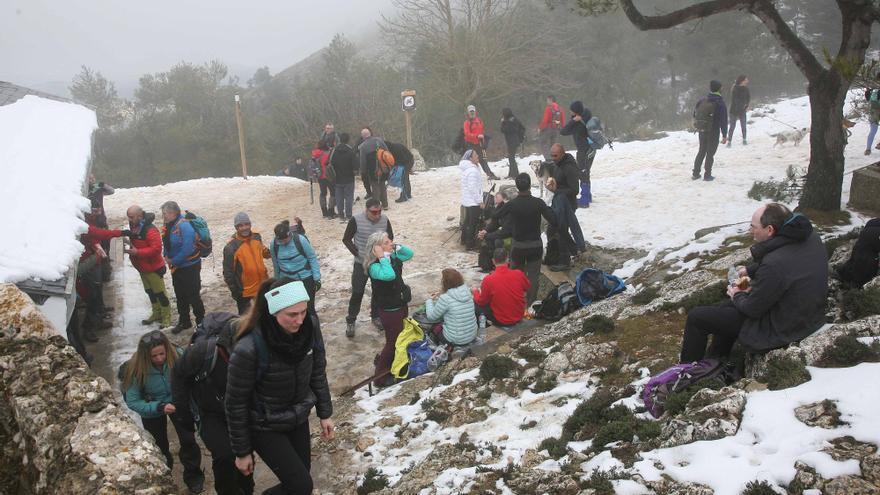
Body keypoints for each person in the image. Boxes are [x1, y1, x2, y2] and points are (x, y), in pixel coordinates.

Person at [679, 204, 828, 363]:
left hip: (783, 327)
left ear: (770, 230)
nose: (750, 231)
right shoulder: (809, 236)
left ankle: (686, 373)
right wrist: (751, 271)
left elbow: (752, 309)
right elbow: (790, 261)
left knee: (697, 318)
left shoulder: (774, 263)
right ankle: (717, 360)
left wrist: (738, 294)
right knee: (723, 310)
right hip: (808, 315)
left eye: (753, 227)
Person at [225, 279, 334, 495]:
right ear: (273, 312)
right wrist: (242, 452)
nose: (300, 320)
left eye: (303, 311)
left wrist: (325, 413)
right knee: (302, 486)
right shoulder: (249, 348)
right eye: (292, 315)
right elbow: (235, 402)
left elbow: (317, 371)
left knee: (300, 477)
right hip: (264, 425)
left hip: (298, 415)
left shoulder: (310, 327)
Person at [172, 312, 254, 495]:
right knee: (225, 454)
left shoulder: (252, 350)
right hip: (209, 410)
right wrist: (184, 416)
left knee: (245, 451)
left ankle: (247, 488)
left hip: (238, 409)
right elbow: (178, 375)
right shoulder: (202, 352)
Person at [123, 330, 204, 493]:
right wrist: (158, 407)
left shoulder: (178, 355)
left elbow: (192, 379)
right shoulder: (135, 369)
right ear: (146, 357)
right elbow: (132, 401)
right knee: (159, 446)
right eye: (154, 356)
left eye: (162, 354)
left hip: (178, 403)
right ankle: (164, 475)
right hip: (152, 408)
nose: (159, 359)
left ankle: (194, 475)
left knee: (188, 439)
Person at [496, 173, 558, 304]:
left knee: (515, 277)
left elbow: (497, 215)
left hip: (518, 246)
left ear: (517, 187)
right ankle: (531, 305)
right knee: (534, 277)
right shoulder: (538, 203)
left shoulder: (512, 204)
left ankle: (516, 303)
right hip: (535, 245)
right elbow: (553, 220)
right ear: (530, 185)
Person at [364, 232, 414, 387]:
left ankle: (394, 366)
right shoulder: (374, 267)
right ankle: (379, 378)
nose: (391, 242)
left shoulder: (392, 258)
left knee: (401, 339)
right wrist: (381, 257)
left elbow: (409, 254)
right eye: (387, 242)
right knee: (392, 342)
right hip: (389, 310)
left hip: (400, 304)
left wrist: (396, 247)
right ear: (377, 248)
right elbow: (389, 276)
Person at [342, 198, 395, 338]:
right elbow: (346, 239)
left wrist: (384, 254)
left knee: (378, 291)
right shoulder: (356, 220)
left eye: (379, 212)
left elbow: (391, 237)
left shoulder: (384, 220)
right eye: (374, 212)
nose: (377, 215)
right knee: (358, 292)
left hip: (377, 263)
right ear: (366, 210)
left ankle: (376, 316)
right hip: (361, 263)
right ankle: (351, 320)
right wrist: (357, 253)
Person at [122, 206, 172, 328]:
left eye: (132, 217)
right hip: (142, 267)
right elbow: (139, 242)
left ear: (140, 216)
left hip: (153, 268)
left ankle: (166, 317)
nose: (129, 219)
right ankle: (156, 313)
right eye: (128, 217)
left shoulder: (150, 230)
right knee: (150, 292)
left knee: (160, 293)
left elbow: (156, 249)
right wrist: (129, 243)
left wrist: (137, 252)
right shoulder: (135, 226)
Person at [161, 201, 205, 334]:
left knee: (193, 295)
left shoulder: (185, 226)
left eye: (164, 214)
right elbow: (167, 242)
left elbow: (187, 248)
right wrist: (166, 256)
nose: (163, 216)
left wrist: (173, 260)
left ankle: (201, 322)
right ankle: (184, 321)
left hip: (190, 267)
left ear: (173, 213)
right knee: (180, 295)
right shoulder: (169, 225)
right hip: (177, 268)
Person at [547, 143, 586, 271]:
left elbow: (574, 190)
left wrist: (556, 190)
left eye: (555, 156)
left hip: (568, 205)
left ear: (562, 154)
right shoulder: (557, 165)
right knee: (552, 229)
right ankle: (554, 256)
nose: (553, 158)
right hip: (558, 202)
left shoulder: (569, 167)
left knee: (561, 231)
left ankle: (565, 261)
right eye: (551, 155)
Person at [223, 212, 270, 315]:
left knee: (266, 317)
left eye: (246, 224)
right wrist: (235, 293)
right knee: (248, 322)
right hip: (245, 293)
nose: (244, 228)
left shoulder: (256, 237)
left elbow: (264, 253)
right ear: (236, 227)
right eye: (240, 225)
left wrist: (268, 252)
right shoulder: (231, 247)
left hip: (263, 287)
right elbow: (228, 273)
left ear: (250, 224)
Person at [271, 219, 321, 312]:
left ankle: (312, 325)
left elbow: (312, 258)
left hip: (305, 278)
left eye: (286, 238)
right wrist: (277, 282)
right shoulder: (274, 244)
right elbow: (276, 264)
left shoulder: (300, 240)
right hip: (286, 281)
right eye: (281, 240)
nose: (284, 241)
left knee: (309, 309)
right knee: (292, 309)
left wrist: (317, 278)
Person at [472, 249, 530, 327]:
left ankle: (485, 328)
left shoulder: (488, 279)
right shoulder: (518, 273)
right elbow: (527, 287)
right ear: (508, 260)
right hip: (519, 315)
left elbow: (481, 301)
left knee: (474, 304)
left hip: (502, 320)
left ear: (493, 261)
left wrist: (475, 292)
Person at [425, 268, 478, 346]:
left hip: (456, 339)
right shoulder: (467, 292)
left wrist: (429, 301)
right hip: (472, 335)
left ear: (445, 282)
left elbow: (431, 317)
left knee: (434, 328)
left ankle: (438, 347)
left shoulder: (445, 298)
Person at [692, 80, 728, 181]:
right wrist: (724, 135)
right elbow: (723, 121)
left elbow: (695, 114)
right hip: (713, 131)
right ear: (720, 88)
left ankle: (695, 173)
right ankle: (707, 175)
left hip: (702, 129)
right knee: (710, 153)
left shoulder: (702, 100)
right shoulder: (720, 103)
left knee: (701, 151)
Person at [560, 101, 595, 207]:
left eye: (572, 110)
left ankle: (584, 200)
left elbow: (563, 131)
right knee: (586, 171)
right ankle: (587, 196)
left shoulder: (577, 124)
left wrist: (573, 121)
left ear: (576, 111)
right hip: (592, 149)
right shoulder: (587, 117)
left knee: (582, 172)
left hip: (583, 150)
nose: (570, 112)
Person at [836, 218, 880, 289]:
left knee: (857, 261)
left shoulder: (872, 223)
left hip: (859, 253)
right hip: (867, 264)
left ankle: (844, 276)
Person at [463, 105, 500, 180]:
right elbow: (467, 134)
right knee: (471, 161)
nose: (472, 113)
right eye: (470, 112)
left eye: (473, 111)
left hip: (479, 143)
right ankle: (471, 176)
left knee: (483, 159)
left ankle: (490, 174)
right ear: (468, 113)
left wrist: (484, 140)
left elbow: (482, 131)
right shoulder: (466, 123)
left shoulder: (479, 121)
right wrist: (476, 136)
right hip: (470, 144)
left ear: (475, 111)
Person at [358, 127, 391, 209]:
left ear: (363, 136)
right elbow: (387, 151)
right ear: (370, 134)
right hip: (383, 167)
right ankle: (385, 205)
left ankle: (376, 205)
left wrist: (363, 171)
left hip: (372, 169)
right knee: (382, 184)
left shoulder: (362, 146)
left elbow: (363, 161)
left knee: (375, 187)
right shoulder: (379, 140)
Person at [460, 149, 484, 250]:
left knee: (467, 222)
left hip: (468, 200)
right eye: (475, 155)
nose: (478, 156)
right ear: (470, 158)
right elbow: (473, 188)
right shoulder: (472, 171)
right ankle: (470, 245)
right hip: (473, 201)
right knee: (472, 223)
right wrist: (480, 201)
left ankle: (464, 239)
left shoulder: (469, 169)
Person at [331, 133, 357, 221]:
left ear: (340, 140)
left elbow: (332, 164)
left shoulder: (335, 151)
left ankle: (341, 215)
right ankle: (349, 215)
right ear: (348, 140)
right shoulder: (351, 151)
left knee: (339, 198)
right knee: (349, 197)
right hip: (349, 178)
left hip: (337, 178)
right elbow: (355, 165)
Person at [500, 108, 525, 178]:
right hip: (511, 141)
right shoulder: (511, 119)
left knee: (511, 157)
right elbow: (502, 130)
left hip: (513, 141)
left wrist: (504, 123)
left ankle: (515, 174)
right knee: (511, 157)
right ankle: (512, 174)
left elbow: (509, 129)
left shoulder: (512, 120)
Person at [538, 96, 565, 162]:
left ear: (551, 100)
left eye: (547, 100)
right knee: (553, 145)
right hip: (556, 129)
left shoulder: (548, 108)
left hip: (548, 128)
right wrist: (562, 128)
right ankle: (555, 159)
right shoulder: (560, 109)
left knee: (543, 142)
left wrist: (540, 128)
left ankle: (548, 159)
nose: (547, 102)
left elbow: (545, 120)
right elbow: (562, 120)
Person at [727, 75, 750, 147]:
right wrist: (742, 106)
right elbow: (735, 100)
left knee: (743, 125)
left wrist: (747, 105)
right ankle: (729, 141)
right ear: (742, 80)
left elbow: (748, 98)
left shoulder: (746, 89)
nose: (747, 80)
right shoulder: (735, 88)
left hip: (742, 110)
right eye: (746, 79)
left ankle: (744, 139)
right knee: (732, 126)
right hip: (734, 110)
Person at [313, 144, 336, 219]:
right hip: (328, 176)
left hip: (320, 177)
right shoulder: (326, 154)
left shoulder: (315, 155)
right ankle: (331, 211)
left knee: (323, 193)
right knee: (333, 193)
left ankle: (324, 212)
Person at [865, 77, 880, 155]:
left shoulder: (872, 87)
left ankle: (868, 149)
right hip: (877, 110)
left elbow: (867, 99)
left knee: (873, 131)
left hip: (872, 111)